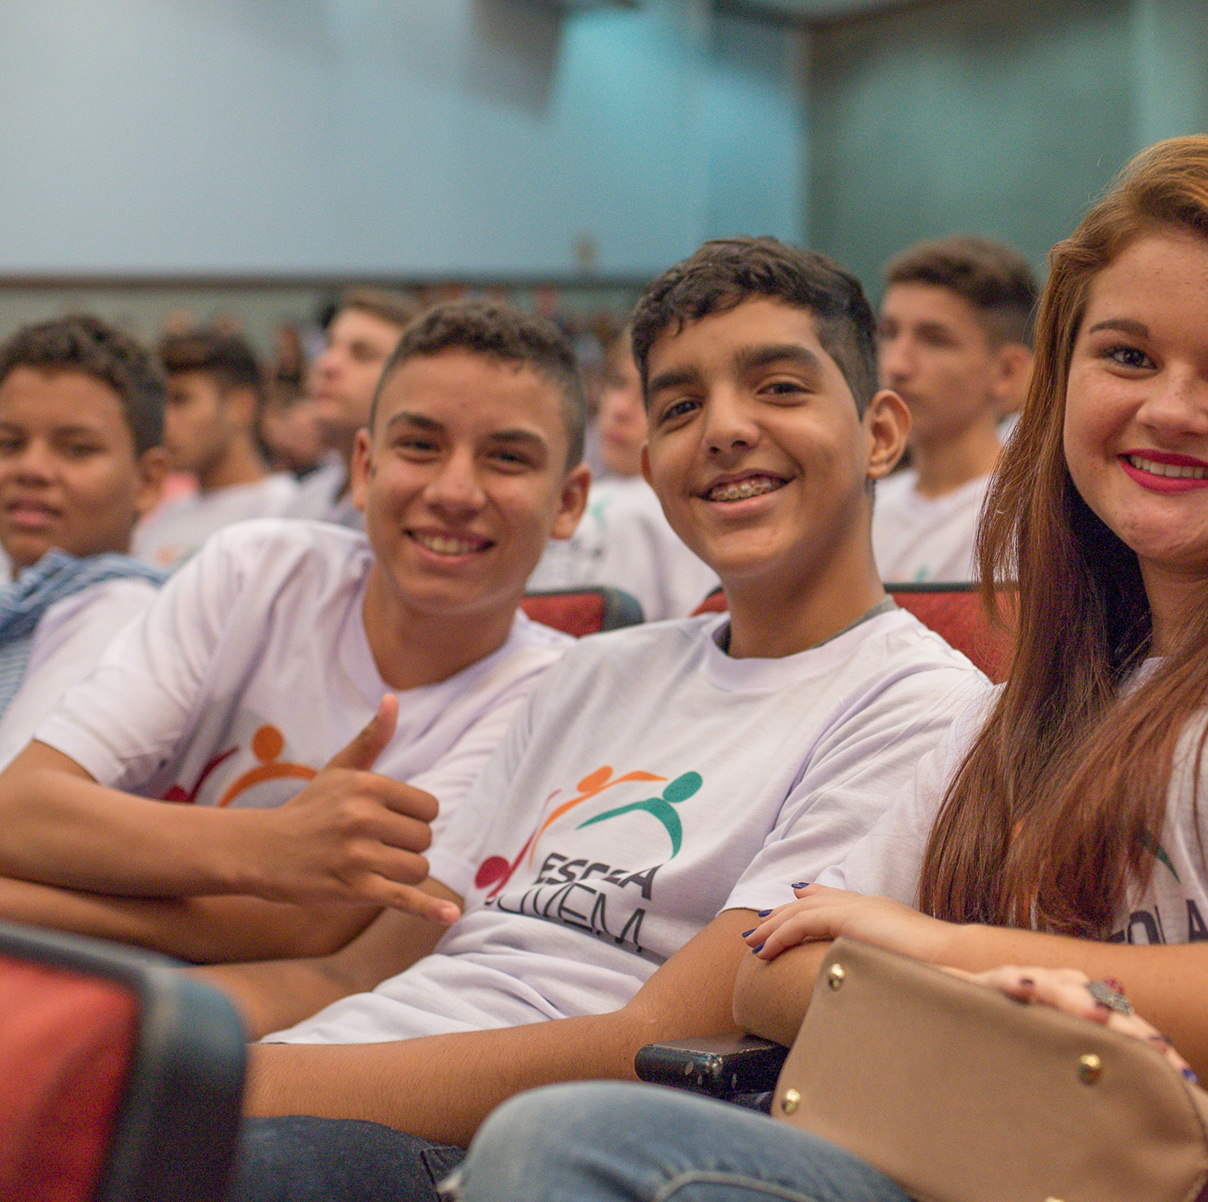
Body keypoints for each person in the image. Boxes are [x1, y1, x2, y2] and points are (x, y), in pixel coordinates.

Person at [449, 135, 1208, 1202]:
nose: (1169, 408)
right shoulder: (1030, 703)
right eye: (1127, 355)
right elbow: (771, 971)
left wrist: (951, 955)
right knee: (567, 1140)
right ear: (1062, 388)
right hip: (1033, 1160)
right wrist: (1034, 1003)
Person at [199, 237, 984, 1202]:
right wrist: (143, 1038)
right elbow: (356, 973)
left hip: (498, 1143)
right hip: (325, 1078)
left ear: (878, 434)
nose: (726, 429)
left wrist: (239, 1087)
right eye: (682, 406)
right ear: (649, 465)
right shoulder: (594, 674)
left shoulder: (919, 707)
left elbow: (646, 1044)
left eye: (779, 387)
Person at [0, 300, 585, 964]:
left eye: (506, 458)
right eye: (420, 446)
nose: (454, 491)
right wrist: (272, 848)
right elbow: (20, 808)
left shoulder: (546, 696)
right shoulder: (256, 568)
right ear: (364, 469)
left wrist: (25, 897)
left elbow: (301, 933)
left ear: (568, 502)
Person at [0, 316, 169, 764]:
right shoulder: (17, 603)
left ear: (148, 481)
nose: (30, 469)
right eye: (8, 443)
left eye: (76, 449)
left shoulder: (124, 617)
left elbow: (14, 795)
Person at [871, 235, 1035, 582]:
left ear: (1007, 372)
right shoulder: (861, 513)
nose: (897, 365)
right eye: (888, 333)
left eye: (934, 339)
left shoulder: (1032, 520)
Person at [526, 323, 718, 619]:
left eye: (646, 397)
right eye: (616, 384)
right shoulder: (564, 491)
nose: (620, 408)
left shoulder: (681, 512)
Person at [132, 329, 298, 567]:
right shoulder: (166, 514)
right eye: (163, 404)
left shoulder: (287, 510)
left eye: (182, 400)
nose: (165, 422)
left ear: (241, 407)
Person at [286, 289, 421, 527]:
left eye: (362, 354)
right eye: (329, 345)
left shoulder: (413, 511)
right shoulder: (305, 499)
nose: (327, 364)